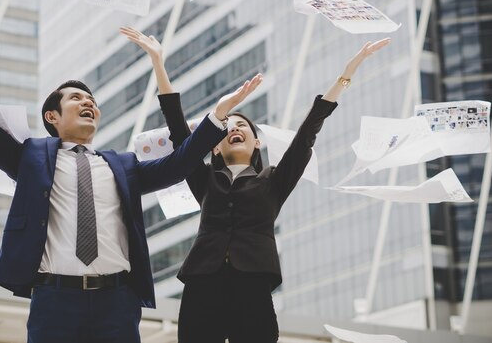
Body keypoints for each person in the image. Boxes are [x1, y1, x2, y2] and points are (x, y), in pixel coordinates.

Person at [0, 27, 262, 343]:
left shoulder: (123, 166)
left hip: (117, 301)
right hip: (55, 299)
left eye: (91, 100)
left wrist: (218, 114)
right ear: (52, 116)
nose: (88, 102)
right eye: (76, 98)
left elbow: (180, 162)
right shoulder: (31, 159)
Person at [120, 25, 390, 343]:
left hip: (253, 285)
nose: (234, 128)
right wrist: (158, 61)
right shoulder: (204, 178)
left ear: (256, 142)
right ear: (214, 145)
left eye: (242, 125)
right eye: (226, 126)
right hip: (202, 284)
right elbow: (178, 129)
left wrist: (347, 73)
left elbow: (306, 134)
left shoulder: (274, 180)